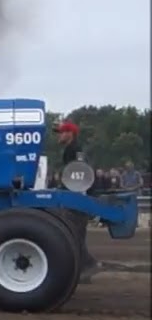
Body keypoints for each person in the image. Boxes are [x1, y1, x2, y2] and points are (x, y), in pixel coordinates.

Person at [54, 120, 100, 282]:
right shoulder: (72, 150)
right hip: (77, 197)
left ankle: (88, 265)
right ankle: (83, 270)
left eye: (61, 132)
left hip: (76, 199)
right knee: (75, 235)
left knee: (74, 235)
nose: (59, 136)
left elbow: (81, 175)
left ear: (70, 134)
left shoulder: (74, 151)